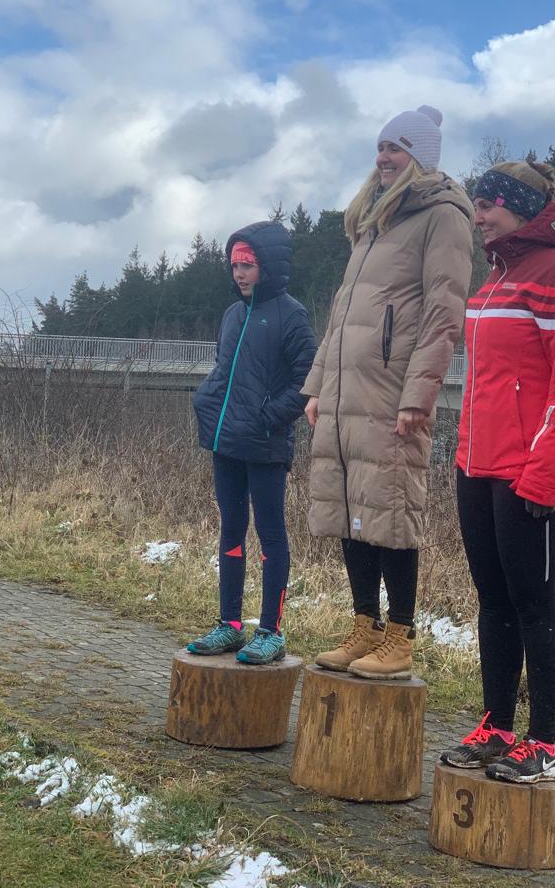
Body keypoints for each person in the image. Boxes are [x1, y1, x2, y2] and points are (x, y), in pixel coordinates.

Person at [440, 160, 555, 783]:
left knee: (535, 604)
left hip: (531, 471)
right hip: (476, 465)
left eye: (488, 205)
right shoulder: (496, 277)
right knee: (494, 601)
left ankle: (543, 744)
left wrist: (544, 468)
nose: (478, 216)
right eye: (476, 205)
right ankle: (498, 728)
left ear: (521, 207)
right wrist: (464, 453)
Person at [303, 106, 474, 679]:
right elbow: (341, 315)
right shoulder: (374, 220)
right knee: (354, 507)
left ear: (419, 157)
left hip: (391, 389)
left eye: (395, 148)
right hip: (346, 390)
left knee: (393, 508)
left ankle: (400, 638)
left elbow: (444, 312)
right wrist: (317, 385)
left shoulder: (442, 216)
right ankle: (365, 627)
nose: (383, 157)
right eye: (380, 147)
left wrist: (417, 394)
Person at [189, 221, 317, 664]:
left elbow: (307, 380)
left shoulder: (291, 315)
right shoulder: (232, 315)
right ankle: (229, 625)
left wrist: (268, 418)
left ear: (267, 266)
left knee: (271, 534)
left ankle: (271, 631)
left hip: (265, 446)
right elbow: (223, 371)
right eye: (234, 266)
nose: (239, 274)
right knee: (230, 529)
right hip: (226, 442)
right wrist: (206, 402)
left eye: (247, 265)